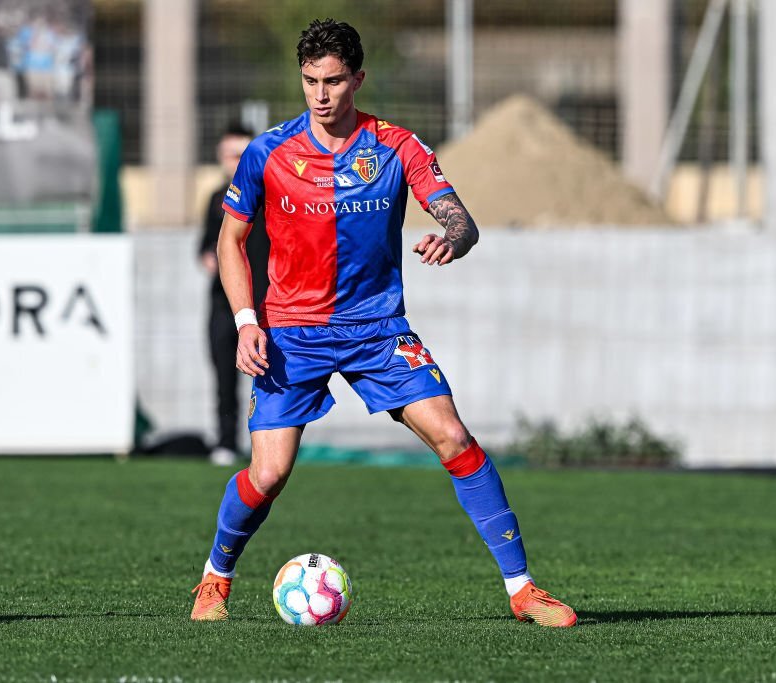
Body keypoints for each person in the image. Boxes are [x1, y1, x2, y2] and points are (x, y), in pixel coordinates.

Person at [190, 19, 577, 628]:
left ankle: (524, 590)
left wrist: (453, 235)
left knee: (452, 436)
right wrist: (246, 321)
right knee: (269, 472)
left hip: (378, 329)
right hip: (292, 331)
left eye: (334, 81)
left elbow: (462, 221)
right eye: (311, 81)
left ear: (358, 79)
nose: (321, 95)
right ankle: (215, 579)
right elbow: (231, 239)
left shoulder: (396, 146)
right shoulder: (269, 151)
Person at [199, 123, 270, 466]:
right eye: (230, 155)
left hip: (263, 302)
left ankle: (268, 445)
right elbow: (206, 243)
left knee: (268, 376)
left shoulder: (269, 197)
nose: (236, 161)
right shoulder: (216, 199)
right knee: (224, 378)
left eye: (242, 155)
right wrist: (209, 257)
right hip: (223, 304)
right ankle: (226, 442)